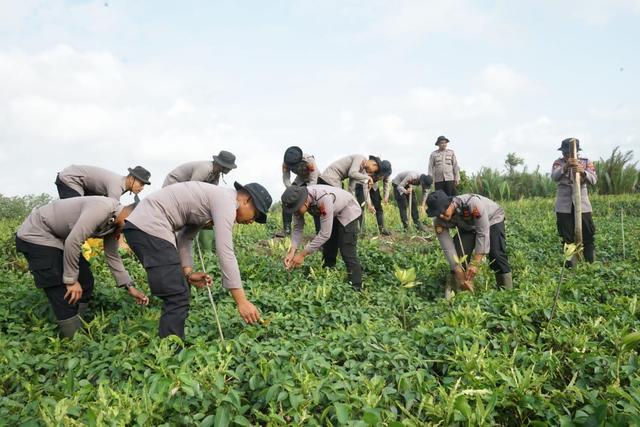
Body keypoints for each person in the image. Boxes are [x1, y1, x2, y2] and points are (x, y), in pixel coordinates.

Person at [123, 181, 272, 339]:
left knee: (179, 290)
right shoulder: (227, 202)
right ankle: (170, 351)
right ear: (246, 200)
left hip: (141, 227)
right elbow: (225, 252)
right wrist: (242, 301)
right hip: (149, 226)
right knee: (177, 295)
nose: (251, 221)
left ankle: (170, 343)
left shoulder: (214, 200)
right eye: (255, 215)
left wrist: (188, 273)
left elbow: (185, 238)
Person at [15, 197, 149, 338]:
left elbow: (112, 255)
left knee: (85, 281)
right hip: (36, 234)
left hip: (59, 239)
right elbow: (73, 242)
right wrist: (71, 281)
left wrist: (130, 287)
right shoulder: (102, 208)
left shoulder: (115, 224)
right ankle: (73, 343)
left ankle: (78, 324)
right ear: (130, 215)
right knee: (60, 289)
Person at [426, 190, 512, 294]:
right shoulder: (439, 221)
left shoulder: (472, 204)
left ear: (450, 203)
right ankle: (460, 291)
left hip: (492, 219)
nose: (441, 216)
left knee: (496, 254)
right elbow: (448, 248)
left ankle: (507, 293)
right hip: (468, 227)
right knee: (458, 257)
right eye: (437, 214)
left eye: (443, 211)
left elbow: (482, 233)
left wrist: (475, 263)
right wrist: (459, 273)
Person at [281, 184, 363, 291]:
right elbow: (297, 228)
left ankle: (356, 287)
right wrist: (292, 251)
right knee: (328, 246)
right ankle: (328, 275)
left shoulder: (323, 198)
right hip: (333, 212)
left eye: (296, 210)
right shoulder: (298, 203)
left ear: (305, 202)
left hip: (348, 209)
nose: (295, 213)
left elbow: (325, 234)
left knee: (347, 249)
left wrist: (302, 254)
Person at [551, 138, 597, 264]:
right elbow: (554, 176)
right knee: (567, 238)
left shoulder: (586, 162)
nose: (566, 155)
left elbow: (594, 180)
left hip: (582, 205)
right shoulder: (558, 163)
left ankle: (589, 265)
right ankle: (571, 266)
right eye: (564, 152)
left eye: (568, 152)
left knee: (588, 235)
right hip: (564, 206)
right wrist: (565, 167)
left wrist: (583, 172)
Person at [277, 146, 320, 237]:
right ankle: (287, 229)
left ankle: (319, 232)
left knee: (315, 204)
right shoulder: (286, 163)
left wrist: (306, 194)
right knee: (287, 198)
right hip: (299, 180)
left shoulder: (309, 161)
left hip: (313, 181)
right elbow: (286, 178)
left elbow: (313, 180)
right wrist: (291, 190)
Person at [317, 155, 383, 213]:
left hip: (335, 181)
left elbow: (360, 188)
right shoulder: (360, 158)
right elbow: (352, 173)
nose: (372, 173)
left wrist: (369, 205)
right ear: (374, 164)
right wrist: (368, 178)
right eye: (374, 171)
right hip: (329, 178)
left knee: (336, 207)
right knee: (336, 207)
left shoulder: (362, 171)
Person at [55, 165, 151, 200]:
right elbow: (113, 209)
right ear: (131, 178)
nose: (142, 188)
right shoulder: (117, 186)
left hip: (82, 185)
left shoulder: (122, 185)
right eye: (141, 184)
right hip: (70, 179)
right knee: (75, 212)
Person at [162, 150, 237, 187]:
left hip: (183, 186)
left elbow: (212, 190)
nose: (230, 169)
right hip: (173, 182)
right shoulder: (205, 168)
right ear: (221, 165)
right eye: (228, 167)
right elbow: (191, 188)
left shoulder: (216, 174)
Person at [355, 160, 392, 235]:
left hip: (374, 186)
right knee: (362, 206)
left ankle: (382, 228)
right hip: (362, 185)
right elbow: (365, 188)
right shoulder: (371, 169)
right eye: (382, 174)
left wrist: (386, 197)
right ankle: (362, 231)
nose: (382, 177)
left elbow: (386, 184)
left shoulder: (387, 173)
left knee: (378, 206)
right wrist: (369, 204)